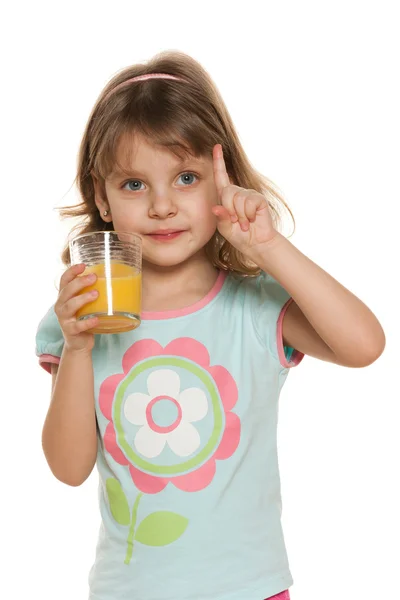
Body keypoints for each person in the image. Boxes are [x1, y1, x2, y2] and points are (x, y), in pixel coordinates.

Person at [35, 50, 385, 600]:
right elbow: (68, 467)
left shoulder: (256, 306)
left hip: (252, 589)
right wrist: (77, 350)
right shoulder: (81, 319)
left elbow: (365, 345)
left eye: (186, 177)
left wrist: (270, 249)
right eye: (133, 185)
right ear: (100, 196)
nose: (161, 205)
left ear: (222, 183)